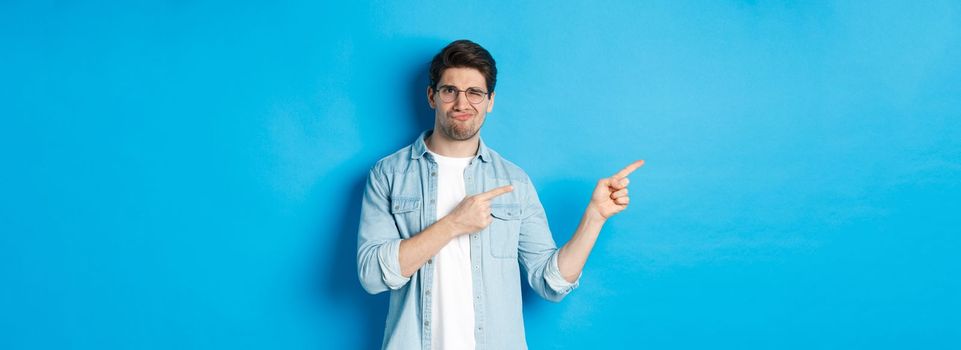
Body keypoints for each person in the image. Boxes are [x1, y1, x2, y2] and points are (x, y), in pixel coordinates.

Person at [356, 39, 643, 350]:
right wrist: (453, 224)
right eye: (450, 90)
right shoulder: (389, 174)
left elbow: (551, 283)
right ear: (432, 97)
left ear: (490, 101)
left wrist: (594, 218)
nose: (462, 104)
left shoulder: (513, 181)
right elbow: (372, 275)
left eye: (475, 93)